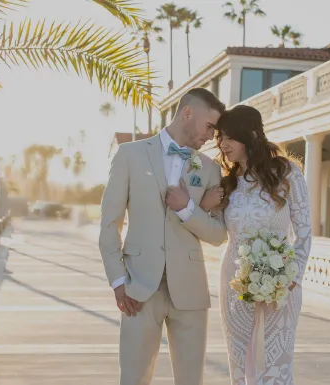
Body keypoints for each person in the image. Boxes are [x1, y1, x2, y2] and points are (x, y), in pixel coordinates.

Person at [98, 87, 228, 385]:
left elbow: (219, 234)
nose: (211, 136)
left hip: (191, 292)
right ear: (187, 114)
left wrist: (188, 209)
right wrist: (118, 282)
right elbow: (109, 225)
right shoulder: (129, 154)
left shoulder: (210, 169)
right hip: (139, 288)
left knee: (190, 380)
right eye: (209, 126)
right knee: (133, 378)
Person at [197, 105, 312, 385]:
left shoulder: (287, 173)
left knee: (275, 363)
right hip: (235, 281)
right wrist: (205, 205)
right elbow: (216, 232)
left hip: (281, 283)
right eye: (220, 137)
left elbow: (304, 231)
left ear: (250, 134)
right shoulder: (229, 181)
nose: (223, 144)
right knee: (240, 363)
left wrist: (292, 277)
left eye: (229, 137)